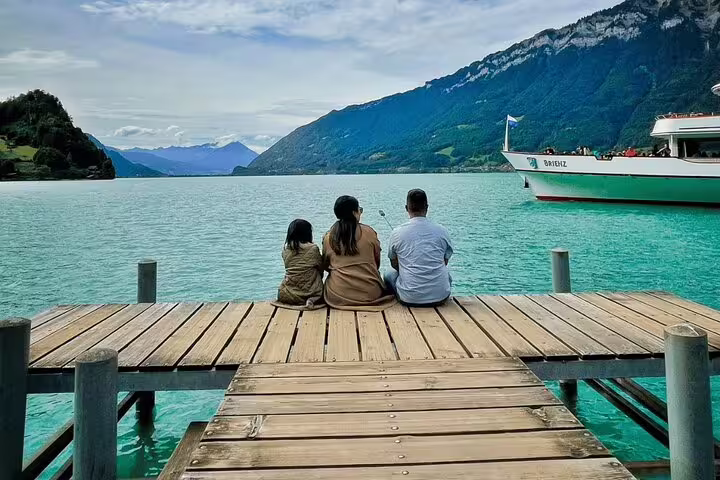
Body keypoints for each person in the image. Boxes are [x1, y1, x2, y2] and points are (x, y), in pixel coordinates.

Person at [322, 195, 395, 310]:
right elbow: (377, 263)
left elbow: (326, 266)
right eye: (359, 210)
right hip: (371, 294)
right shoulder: (369, 232)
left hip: (337, 295)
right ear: (354, 212)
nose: (360, 213)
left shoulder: (328, 237)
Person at [384, 189, 453, 307]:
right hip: (441, 296)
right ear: (427, 207)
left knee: (388, 274)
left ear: (406, 208)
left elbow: (394, 263)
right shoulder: (442, 231)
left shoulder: (397, 232)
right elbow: (444, 262)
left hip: (409, 298)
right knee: (447, 275)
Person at [276, 219, 324, 307]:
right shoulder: (313, 248)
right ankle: (311, 300)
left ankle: (296, 299)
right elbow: (321, 268)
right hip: (311, 291)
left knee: (281, 291)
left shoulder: (285, 250)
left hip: (288, 292)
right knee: (318, 292)